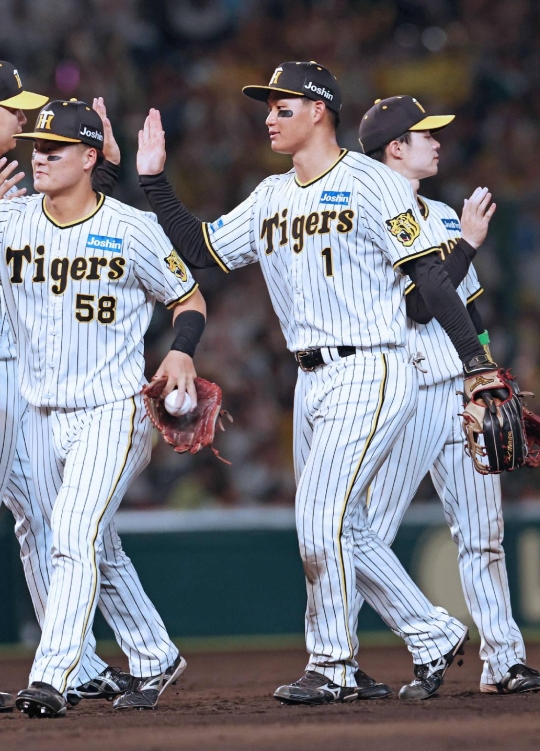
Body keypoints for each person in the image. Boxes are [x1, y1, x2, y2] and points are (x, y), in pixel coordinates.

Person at [135, 61, 504, 703]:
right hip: (309, 379)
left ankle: (331, 663)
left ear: (319, 110)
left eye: (283, 107)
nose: (270, 118)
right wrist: (153, 181)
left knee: (318, 517)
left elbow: (430, 280)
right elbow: (202, 249)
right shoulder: (270, 195)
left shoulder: (373, 182)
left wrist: (475, 362)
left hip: (372, 364)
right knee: (343, 524)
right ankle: (431, 632)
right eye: (268, 109)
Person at [0, 99, 197, 717]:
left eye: (55, 148)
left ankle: (53, 675)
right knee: (96, 544)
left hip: (113, 409)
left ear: (89, 157)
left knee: (72, 534)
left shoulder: (132, 228)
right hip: (40, 415)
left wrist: (182, 351)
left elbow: (188, 298)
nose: (41, 156)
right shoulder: (9, 219)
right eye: (37, 146)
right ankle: (155, 656)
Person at [0, 58, 133, 710]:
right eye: (16, 111)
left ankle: (77, 661)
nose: (25, 121)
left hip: (20, 373)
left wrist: (107, 167)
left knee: (44, 522)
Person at [355, 95, 540, 696]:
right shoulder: (364, 211)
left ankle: (504, 660)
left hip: (458, 394)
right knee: (363, 535)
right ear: (394, 148)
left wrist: (486, 370)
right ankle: (337, 660)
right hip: (400, 394)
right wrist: (468, 245)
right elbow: (417, 305)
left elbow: (469, 308)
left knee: (483, 534)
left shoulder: (439, 214)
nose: (437, 142)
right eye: (424, 135)